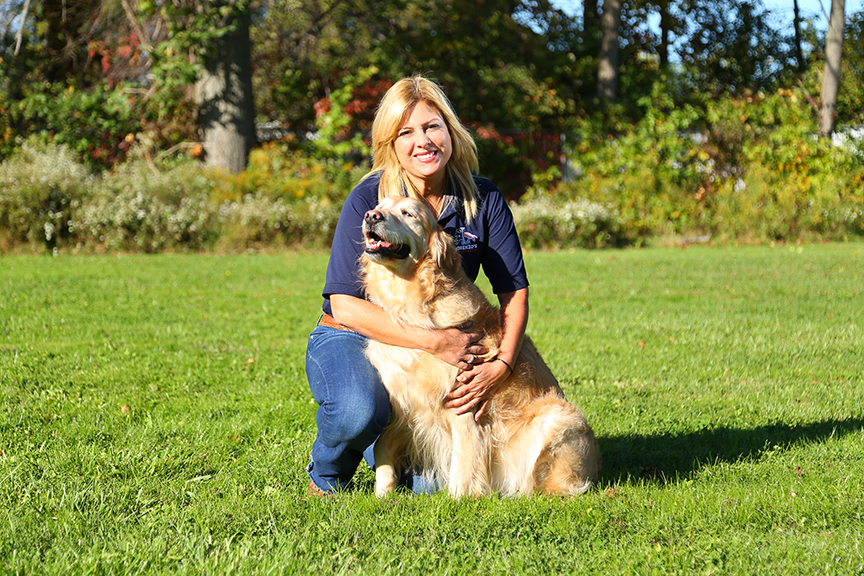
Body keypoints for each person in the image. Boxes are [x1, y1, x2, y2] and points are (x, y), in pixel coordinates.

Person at [304, 76, 530, 495]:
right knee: (358, 410)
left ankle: (391, 452)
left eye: (431, 127)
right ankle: (328, 473)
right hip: (353, 334)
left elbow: (513, 291)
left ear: (450, 132)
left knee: (428, 487)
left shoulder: (482, 199)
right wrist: (434, 341)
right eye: (405, 132)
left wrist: (503, 364)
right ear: (391, 145)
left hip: (434, 330)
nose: (422, 141)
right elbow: (344, 305)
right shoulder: (369, 199)